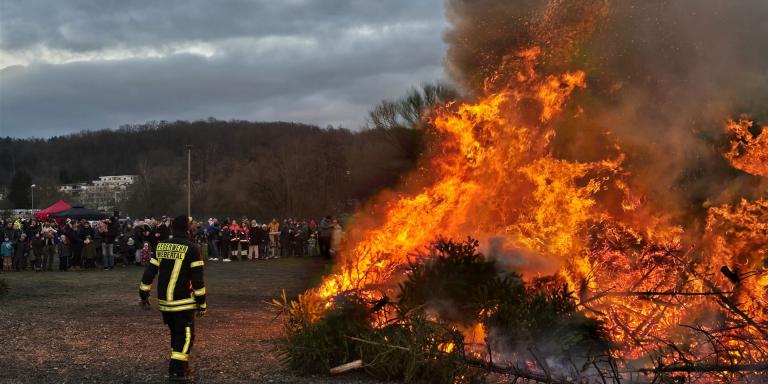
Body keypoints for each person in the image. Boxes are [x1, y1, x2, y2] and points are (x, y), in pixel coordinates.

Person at [139, 215, 206, 383]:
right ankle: (178, 371)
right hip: (183, 302)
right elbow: (198, 280)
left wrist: (144, 294)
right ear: (187, 229)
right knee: (185, 337)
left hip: (165, 303)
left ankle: (177, 367)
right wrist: (202, 303)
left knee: (175, 333)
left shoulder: (161, 246)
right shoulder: (193, 248)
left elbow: (150, 272)